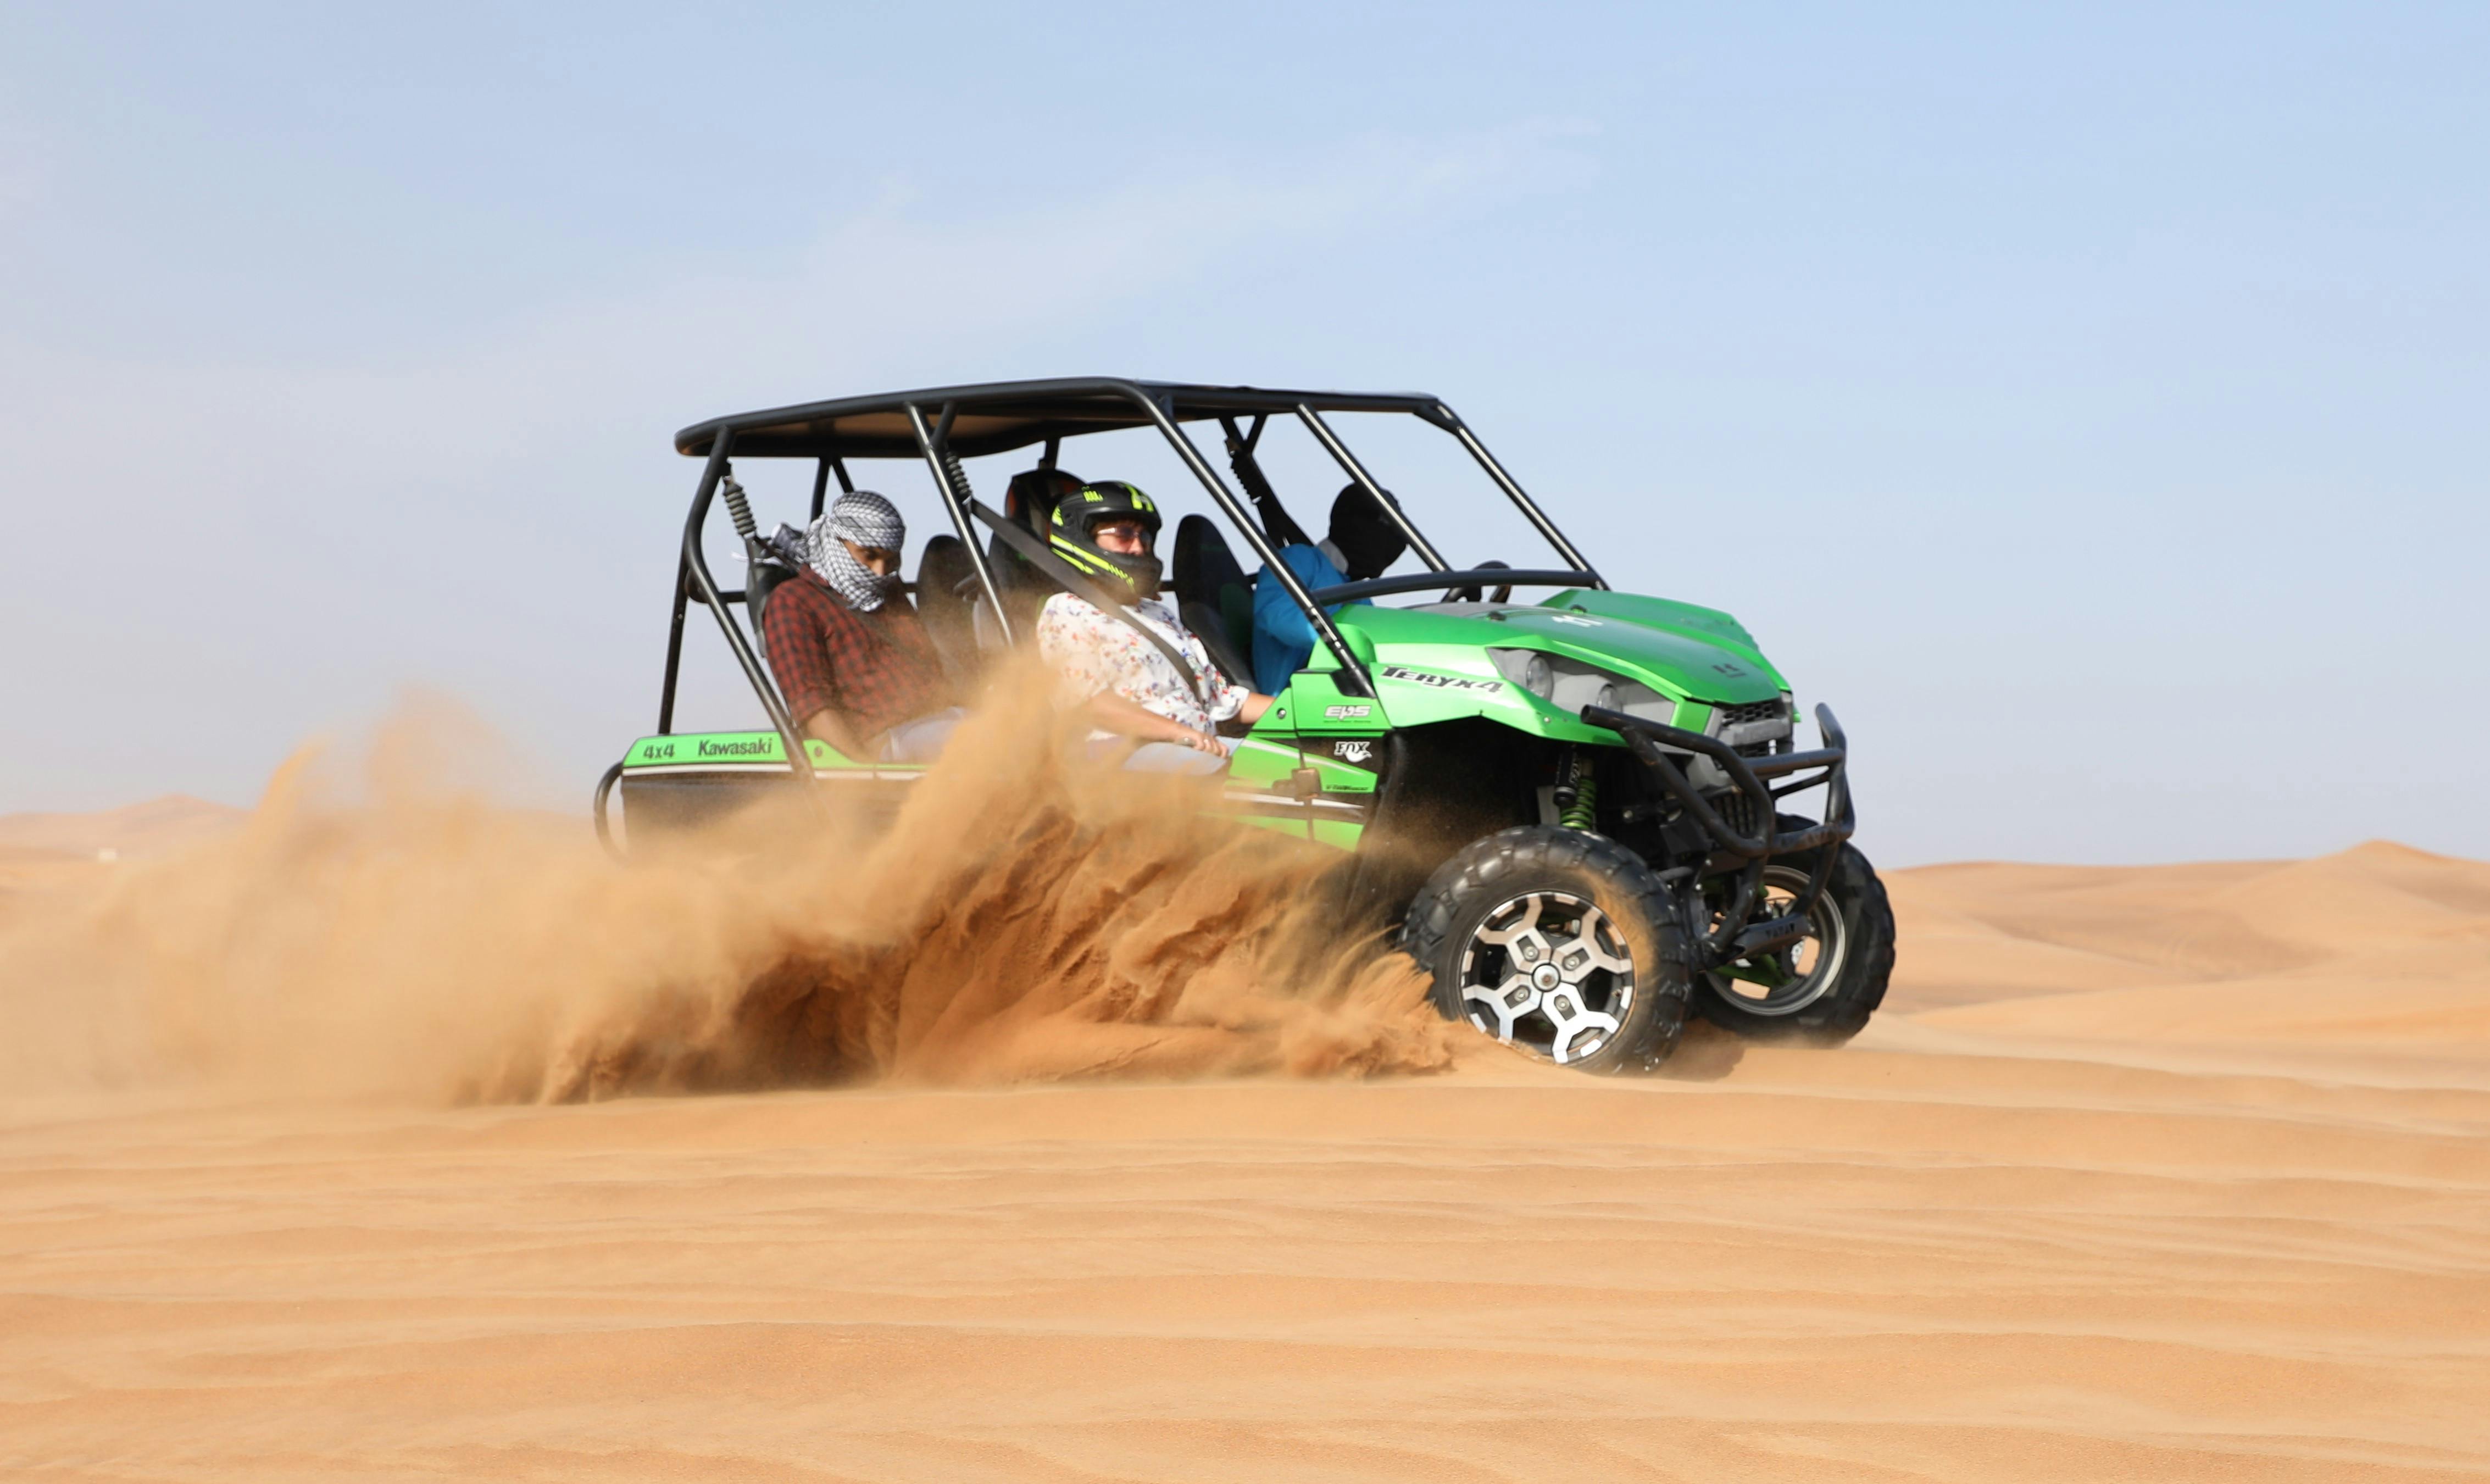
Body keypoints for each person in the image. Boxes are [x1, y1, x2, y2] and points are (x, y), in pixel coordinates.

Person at [1035, 480, 1273, 774]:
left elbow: (1222, 699)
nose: (1138, 547)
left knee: (1309, 762)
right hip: (1123, 757)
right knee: (1276, 776)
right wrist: (1178, 733)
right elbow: (1089, 703)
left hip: (1198, 751)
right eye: (1123, 534)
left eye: (1144, 536)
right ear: (1083, 537)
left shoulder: (1157, 613)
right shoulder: (1067, 610)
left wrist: (1311, 711)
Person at [760, 490, 962, 763]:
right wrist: (862, 775)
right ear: (837, 543)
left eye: (891, 561)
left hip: (939, 722)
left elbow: (930, 665)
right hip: (878, 744)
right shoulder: (793, 603)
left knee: (1022, 720)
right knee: (985, 739)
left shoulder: (888, 592)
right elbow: (813, 708)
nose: (879, 572)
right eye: (868, 556)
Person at [1249, 483, 1411, 694]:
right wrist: (1345, 645)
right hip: (1288, 700)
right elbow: (1275, 615)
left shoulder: (1358, 591)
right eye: (1387, 529)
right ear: (1357, 524)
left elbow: (1377, 637)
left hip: (1346, 695)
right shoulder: (1300, 559)